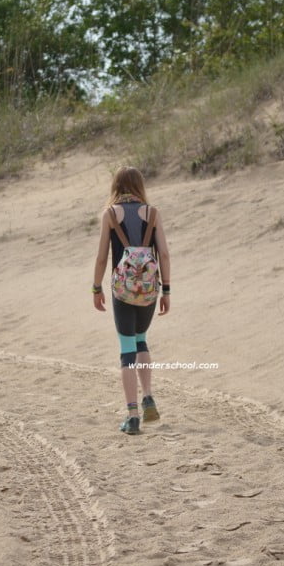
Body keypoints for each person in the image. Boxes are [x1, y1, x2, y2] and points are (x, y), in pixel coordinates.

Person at [92, 166, 171, 435]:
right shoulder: (153, 213)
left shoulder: (110, 214)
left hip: (122, 290)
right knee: (141, 340)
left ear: (116, 186)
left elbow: (103, 257)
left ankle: (133, 415)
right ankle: (148, 396)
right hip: (149, 289)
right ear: (139, 186)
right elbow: (164, 254)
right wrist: (167, 291)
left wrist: (96, 288)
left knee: (127, 350)